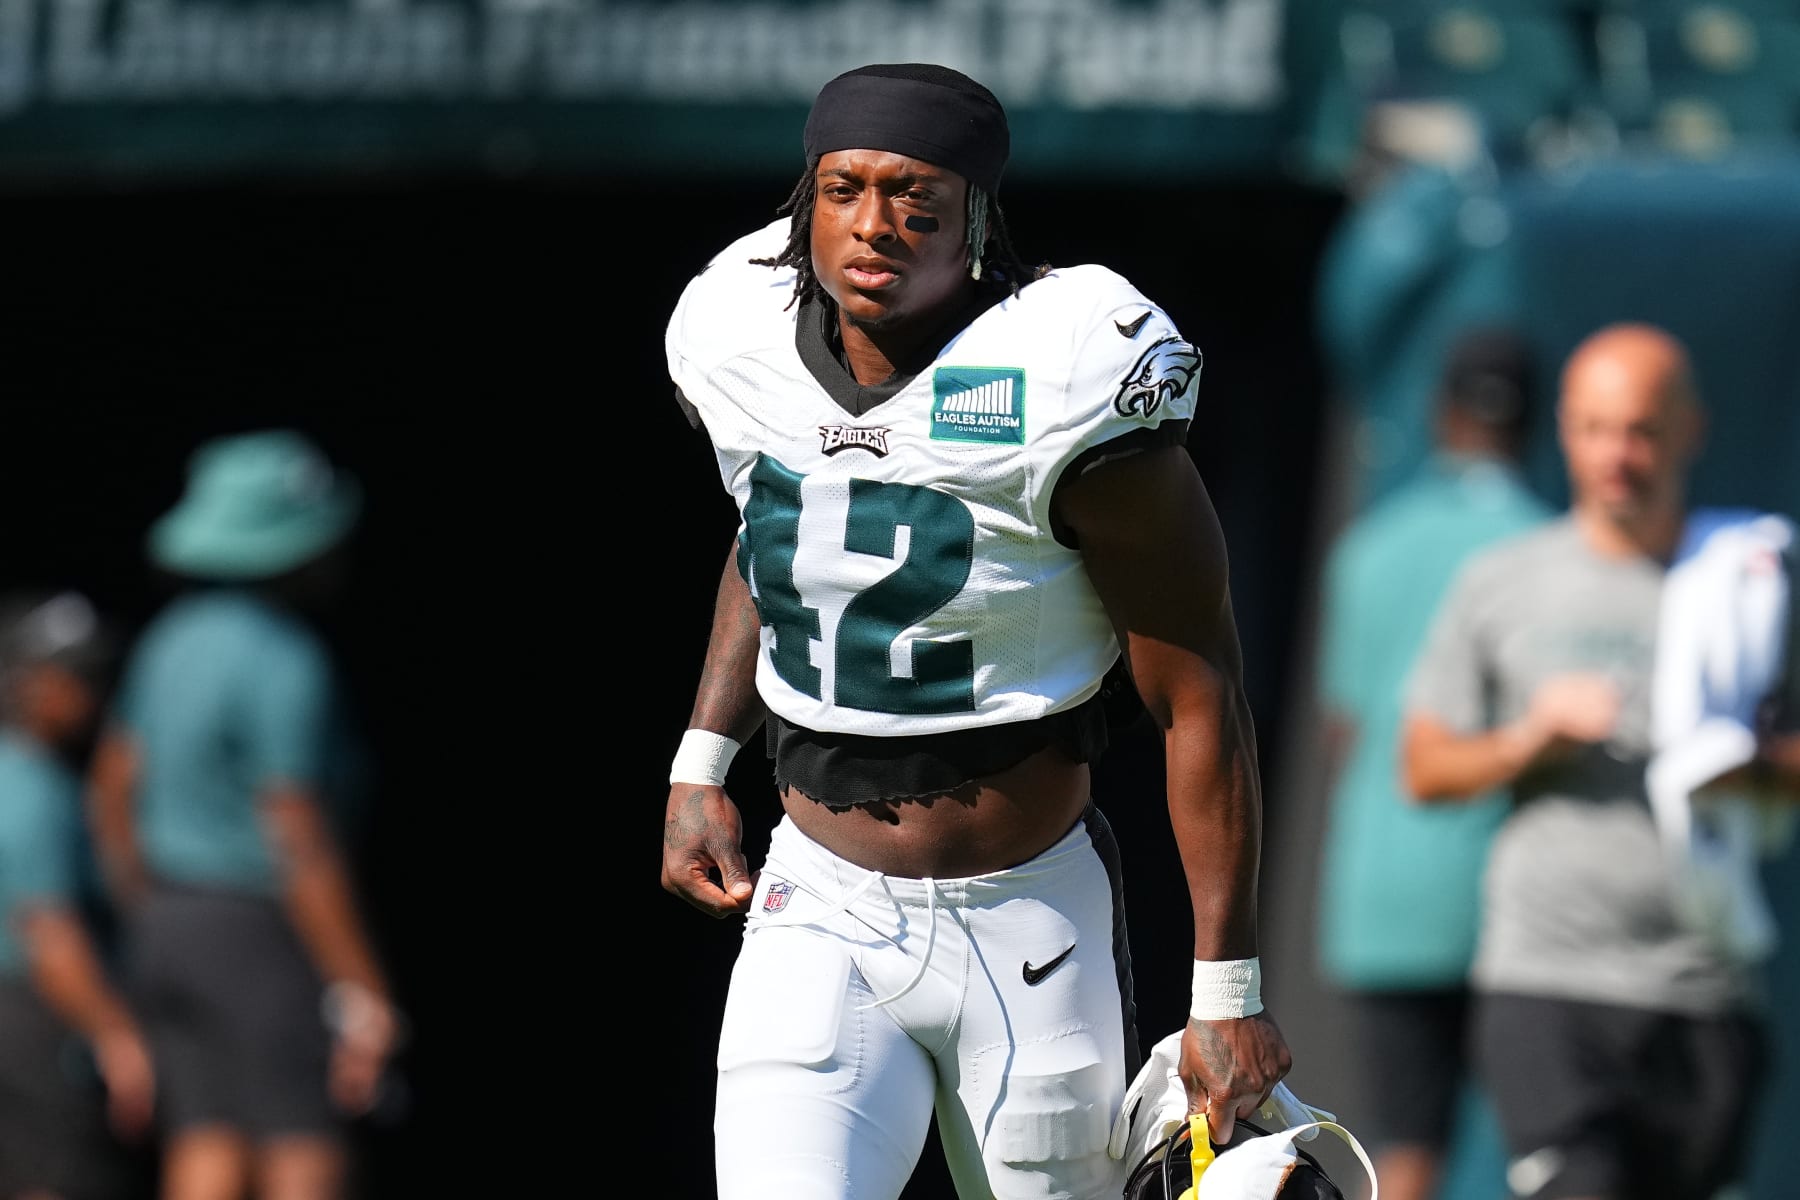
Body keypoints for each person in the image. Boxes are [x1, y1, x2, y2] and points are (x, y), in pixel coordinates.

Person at [658, 61, 1292, 1199]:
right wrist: (704, 759)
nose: (875, 225)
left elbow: (1198, 688)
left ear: (978, 218)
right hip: (820, 904)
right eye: (844, 189)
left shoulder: (1066, 367)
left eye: (916, 197)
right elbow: (779, 534)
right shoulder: (736, 322)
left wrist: (1228, 991)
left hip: (1026, 917)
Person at [1400, 322, 1800, 1200]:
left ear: (1690, 429)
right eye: (1595, 428)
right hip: (1549, 985)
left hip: (1706, 991)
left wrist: (1748, 768)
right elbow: (1424, 767)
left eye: (1642, 430)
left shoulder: (1748, 580)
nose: (1617, 455)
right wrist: (1528, 740)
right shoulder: (1504, 581)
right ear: (1564, 429)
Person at [86, 429, 404, 1200]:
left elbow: (109, 789)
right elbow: (295, 832)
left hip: (171, 918)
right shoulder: (283, 658)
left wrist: (152, 904)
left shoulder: (170, 639)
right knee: (303, 1139)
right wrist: (361, 986)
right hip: (256, 931)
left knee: (207, 1136)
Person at [1312, 326, 1550, 1200]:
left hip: (1385, 900)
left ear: (1445, 416)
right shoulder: (1553, 552)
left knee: (1407, 1152)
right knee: (1556, 1153)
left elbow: (1345, 731)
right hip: (1517, 909)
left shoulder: (1368, 548)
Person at [0, 589, 156, 1200]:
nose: (94, 694)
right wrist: (116, 1035)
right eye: (78, 677)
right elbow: (49, 933)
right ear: (29, 682)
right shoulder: (36, 793)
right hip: (34, 1017)